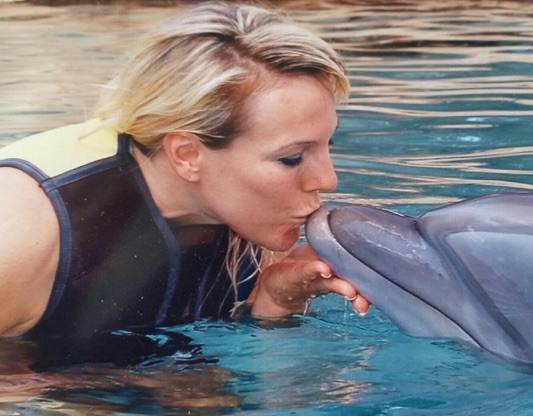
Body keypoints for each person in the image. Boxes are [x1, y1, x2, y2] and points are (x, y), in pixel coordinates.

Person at [0, 1, 370, 339]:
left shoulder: (251, 213)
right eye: (291, 158)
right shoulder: (20, 233)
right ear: (187, 154)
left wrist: (276, 302)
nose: (328, 180)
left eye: (326, 147)